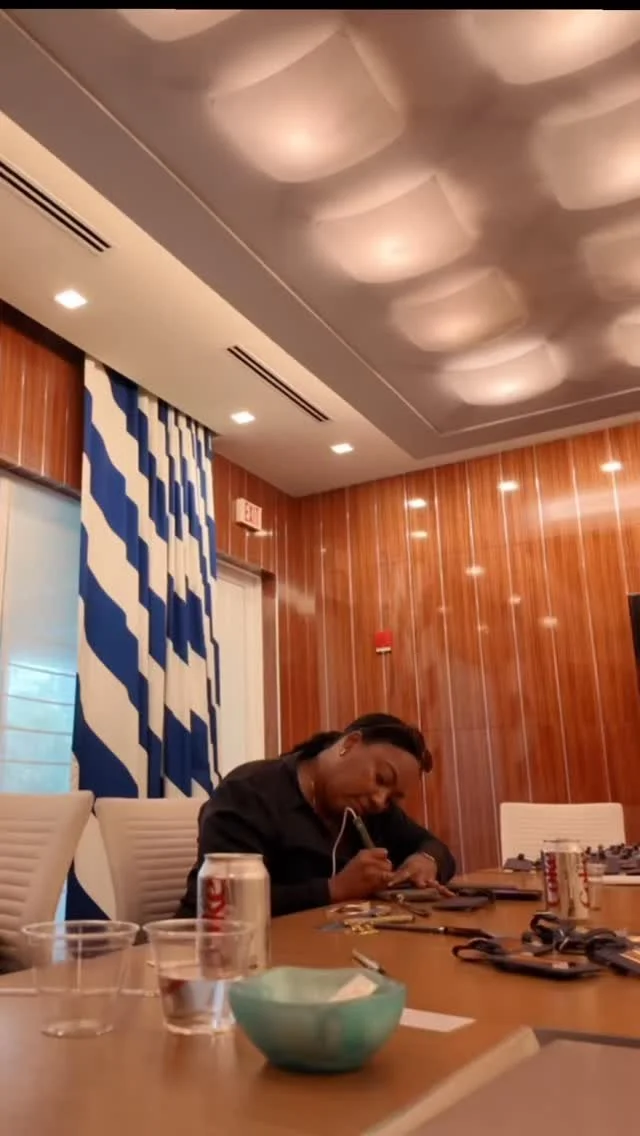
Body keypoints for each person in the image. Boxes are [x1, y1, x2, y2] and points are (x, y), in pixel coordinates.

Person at [177, 713, 455, 919]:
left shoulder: (373, 809)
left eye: (392, 797)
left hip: (319, 947)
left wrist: (426, 860)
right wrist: (334, 890)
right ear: (350, 744)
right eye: (381, 778)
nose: (380, 800)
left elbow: (433, 846)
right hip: (217, 952)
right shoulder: (250, 792)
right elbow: (224, 900)